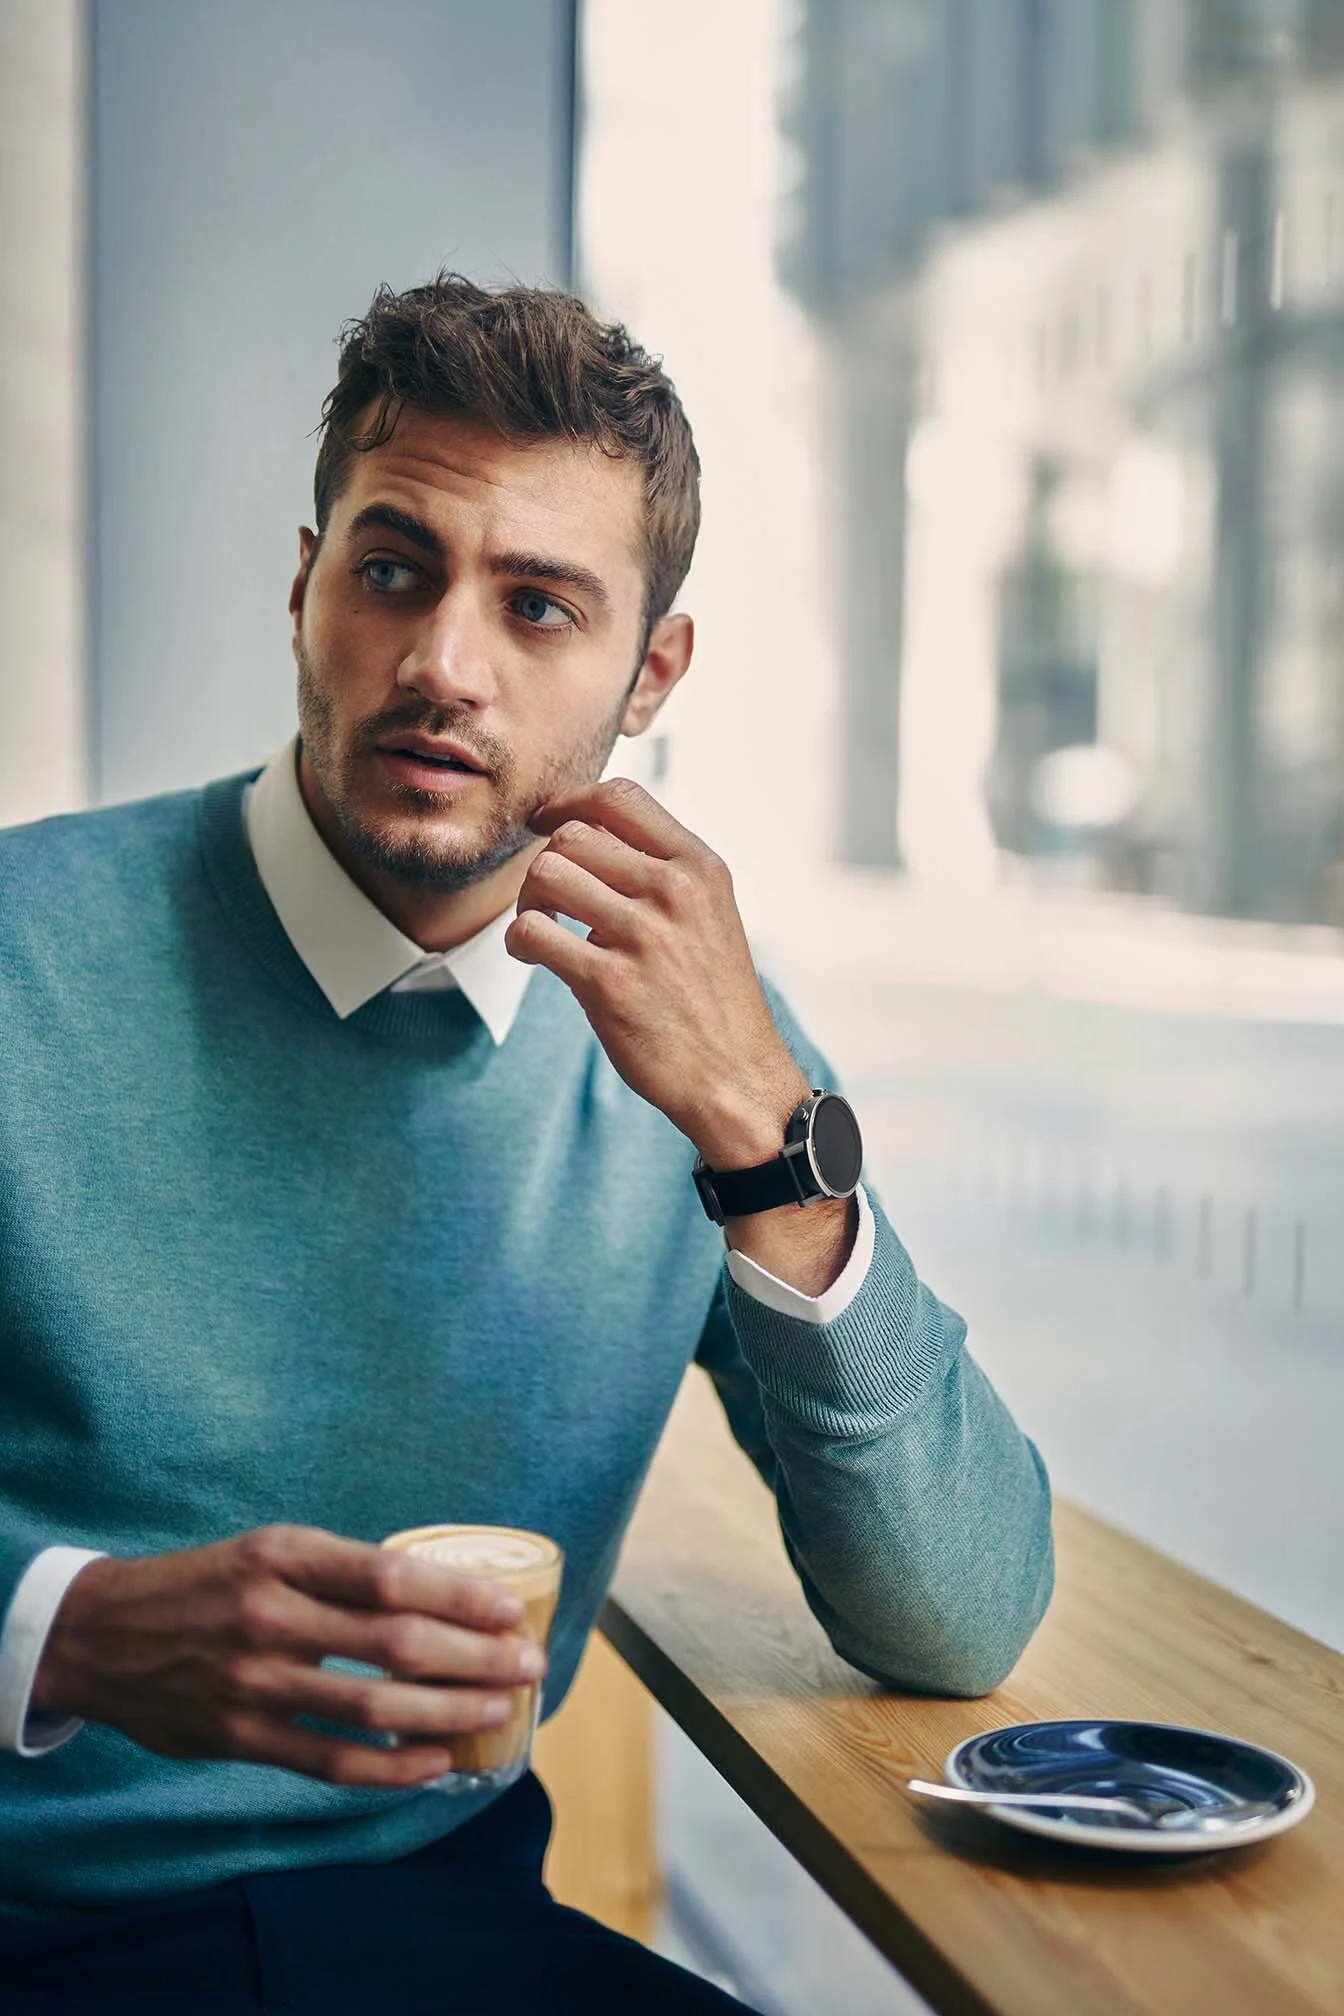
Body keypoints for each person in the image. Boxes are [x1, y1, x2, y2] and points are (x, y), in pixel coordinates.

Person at [0, 274, 1053, 2013]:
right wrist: (64, 1630)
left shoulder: (695, 1041)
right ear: (304, 588)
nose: (441, 666)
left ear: (651, 677)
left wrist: (768, 1142)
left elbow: (959, 1616)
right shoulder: (27, 946)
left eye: (541, 607)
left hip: (440, 1931)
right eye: (392, 569)